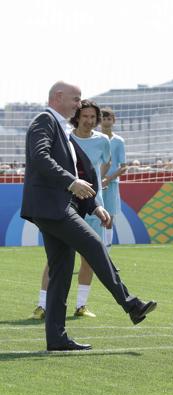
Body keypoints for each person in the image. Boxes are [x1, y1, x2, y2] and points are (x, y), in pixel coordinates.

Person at [21, 81, 156, 351]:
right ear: (58, 97)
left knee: (61, 271)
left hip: (56, 208)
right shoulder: (44, 120)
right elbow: (40, 157)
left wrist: (95, 205)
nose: (79, 104)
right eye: (75, 99)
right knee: (93, 245)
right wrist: (71, 183)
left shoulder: (62, 129)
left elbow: (83, 171)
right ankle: (131, 304)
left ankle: (57, 339)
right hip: (53, 208)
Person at [30, 100, 111, 319]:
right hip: (65, 204)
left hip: (94, 204)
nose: (89, 120)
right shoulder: (65, 136)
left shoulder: (104, 141)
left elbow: (104, 165)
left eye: (93, 117)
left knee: (91, 256)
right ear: (77, 117)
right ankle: (42, 305)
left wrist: (98, 186)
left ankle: (81, 305)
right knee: (56, 257)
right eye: (85, 116)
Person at [100, 107, 128, 249]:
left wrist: (108, 179)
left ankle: (107, 252)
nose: (106, 121)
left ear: (113, 120)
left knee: (109, 217)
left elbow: (123, 166)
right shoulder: (95, 138)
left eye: (109, 118)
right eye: (103, 118)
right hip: (95, 183)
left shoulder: (119, 141)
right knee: (94, 216)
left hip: (111, 183)